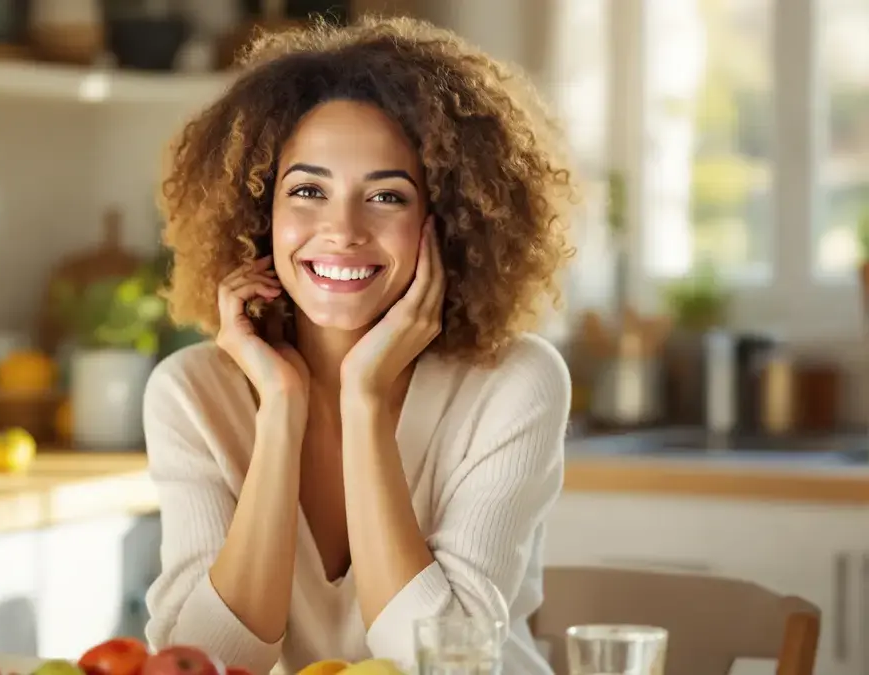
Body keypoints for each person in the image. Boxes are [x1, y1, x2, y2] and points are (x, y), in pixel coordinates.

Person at [142, 15, 575, 675]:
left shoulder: (515, 381)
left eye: (386, 196)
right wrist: (280, 407)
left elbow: (446, 665)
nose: (342, 229)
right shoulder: (192, 392)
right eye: (307, 190)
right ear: (261, 214)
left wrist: (364, 402)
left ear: (445, 222)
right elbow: (203, 665)